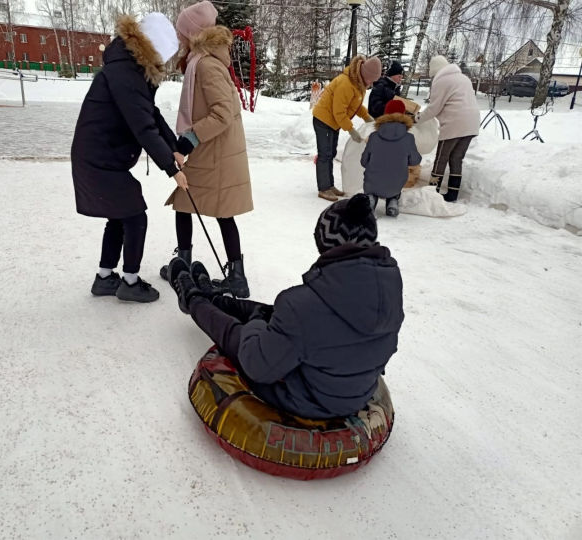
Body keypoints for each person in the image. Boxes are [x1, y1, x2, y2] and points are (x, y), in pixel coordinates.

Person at [167, 193, 404, 420]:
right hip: (354, 389)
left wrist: (257, 326)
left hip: (309, 399)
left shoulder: (302, 306)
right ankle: (217, 300)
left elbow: (257, 365)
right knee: (281, 316)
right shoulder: (389, 287)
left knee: (249, 332)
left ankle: (193, 300)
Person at [71, 13, 187, 303]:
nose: (163, 63)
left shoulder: (128, 68)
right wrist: (171, 169)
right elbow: (142, 126)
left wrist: (173, 147)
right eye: (163, 56)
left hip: (99, 155)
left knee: (120, 217)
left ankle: (104, 277)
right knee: (135, 217)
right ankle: (130, 282)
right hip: (100, 159)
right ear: (153, 48)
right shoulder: (126, 72)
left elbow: (151, 113)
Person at [160, 1, 254, 299]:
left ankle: (233, 276)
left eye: (182, 32)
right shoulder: (204, 61)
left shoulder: (207, 64)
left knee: (210, 206)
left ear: (193, 34)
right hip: (213, 149)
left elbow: (223, 112)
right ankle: (193, 264)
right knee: (188, 202)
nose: (179, 38)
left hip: (215, 150)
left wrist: (188, 140)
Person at [312, 55, 382, 202]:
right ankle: (324, 188)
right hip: (324, 120)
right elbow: (339, 112)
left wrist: (367, 117)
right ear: (365, 74)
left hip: (333, 122)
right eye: (371, 80)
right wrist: (351, 130)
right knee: (325, 154)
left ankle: (329, 185)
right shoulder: (346, 83)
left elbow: (354, 105)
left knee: (331, 153)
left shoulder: (358, 83)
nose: (371, 83)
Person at [416, 55, 480, 202]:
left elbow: (434, 108)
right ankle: (452, 194)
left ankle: (433, 192)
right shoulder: (463, 78)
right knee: (456, 158)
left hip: (455, 123)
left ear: (435, 70)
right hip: (472, 123)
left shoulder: (441, 80)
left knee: (441, 158)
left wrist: (417, 119)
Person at [361, 99, 422, 217]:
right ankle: (392, 201)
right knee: (396, 180)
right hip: (396, 184)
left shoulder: (374, 136)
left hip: (372, 183)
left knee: (371, 180)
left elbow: (364, 161)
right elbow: (415, 160)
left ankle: (370, 199)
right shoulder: (409, 138)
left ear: (385, 114)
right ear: (403, 115)